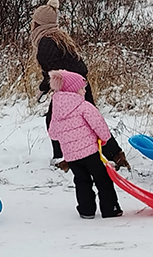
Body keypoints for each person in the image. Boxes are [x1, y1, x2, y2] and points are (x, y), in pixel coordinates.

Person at [31, 0, 131, 172]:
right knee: (92, 120)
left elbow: (53, 72)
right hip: (80, 84)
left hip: (68, 89)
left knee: (53, 120)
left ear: (39, 24)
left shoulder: (45, 42)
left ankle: (63, 158)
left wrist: (43, 88)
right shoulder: (59, 38)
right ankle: (116, 154)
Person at [47, 69, 123, 219]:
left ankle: (86, 210)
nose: (84, 91)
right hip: (90, 153)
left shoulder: (57, 110)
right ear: (74, 90)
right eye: (82, 88)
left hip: (72, 156)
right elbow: (98, 124)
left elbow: (53, 133)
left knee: (81, 181)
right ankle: (110, 209)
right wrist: (105, 138)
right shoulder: (84, 106)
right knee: (103, 179)